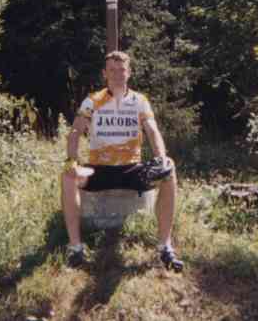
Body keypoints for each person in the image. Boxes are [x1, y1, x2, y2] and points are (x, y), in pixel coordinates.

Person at [61, 51, 184, 271]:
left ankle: (165, 246)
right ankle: (76, 247)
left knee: (169, 170)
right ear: (104, 74)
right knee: (68, 176)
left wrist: (162, 158)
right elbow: (75, 132)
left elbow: (153, 132)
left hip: (131, 168)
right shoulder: (92, 101)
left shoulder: (140, 101)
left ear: (129, 73)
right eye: (112, 70)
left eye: (122, 70)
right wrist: (72, 160)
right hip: (98, 169)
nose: (118, 74)